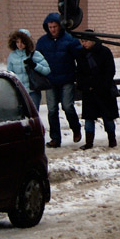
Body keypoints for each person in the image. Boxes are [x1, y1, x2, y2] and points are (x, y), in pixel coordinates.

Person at [36, 13, 83, 148]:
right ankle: (55, 138)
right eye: (50, 27)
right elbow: (38, 58)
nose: (52, 29)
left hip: (67, 78)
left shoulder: (70, 40)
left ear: (60, 26)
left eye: (55, 26)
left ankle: (75, 128)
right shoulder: (42, 42)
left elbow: (79, 58)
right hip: (50, 80)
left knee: (67, 106)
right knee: (51, 110)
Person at [76, 30, 119, 149]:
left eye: (86, 41)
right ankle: (89, 142)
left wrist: (101, 85)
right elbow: (79, 72)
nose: (84, 44)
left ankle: (112, 139)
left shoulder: (104, 52)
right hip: (89, 91)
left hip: (104, 90)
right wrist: (85, 86)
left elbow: (110, 71)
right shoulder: (81, 54)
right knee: (89, 118)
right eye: (82, 41)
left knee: (108, 117)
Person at [6, 29, 50, 109]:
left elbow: (47, 70)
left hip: (33, 91)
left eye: (22, 42)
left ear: (27, 42)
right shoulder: (12, 56)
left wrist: (34, 65)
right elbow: (9, 73)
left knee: (33, 114)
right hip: (19, 91)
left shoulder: (35, 54)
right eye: (17, 42)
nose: (19, 44)